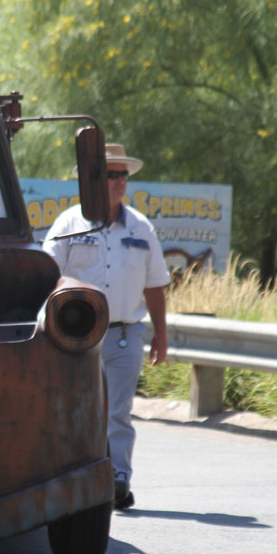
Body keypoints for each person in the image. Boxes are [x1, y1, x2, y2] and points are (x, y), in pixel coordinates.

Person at [42, 143, 169, 510]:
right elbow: (49, 274)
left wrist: (161, 334)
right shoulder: (69, 223)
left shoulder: (141, 227)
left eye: (123, 175)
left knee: (118, 411)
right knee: (72, 408)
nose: (119, 181)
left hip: (126, 333)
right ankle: (71, 475)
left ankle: (118, 479)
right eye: (112, 174)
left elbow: (155, 283)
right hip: (75, 336)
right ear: (94, 179)